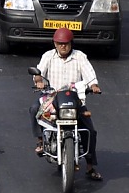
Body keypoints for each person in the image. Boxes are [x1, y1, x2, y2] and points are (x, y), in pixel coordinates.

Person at [30, 28, 102, 181]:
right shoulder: (48, 56)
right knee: (34, 109)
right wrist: (39, 81)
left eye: (66, 44)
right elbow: (39, 73)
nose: (63, 46)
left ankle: (90, 167)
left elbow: (90, 74)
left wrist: (94, 85)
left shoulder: (79, 57)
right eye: (60, 43)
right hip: (52, 99)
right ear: (55, 43)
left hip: (74, 100)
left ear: (71, 43)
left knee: (90, 131)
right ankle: (41, 141)